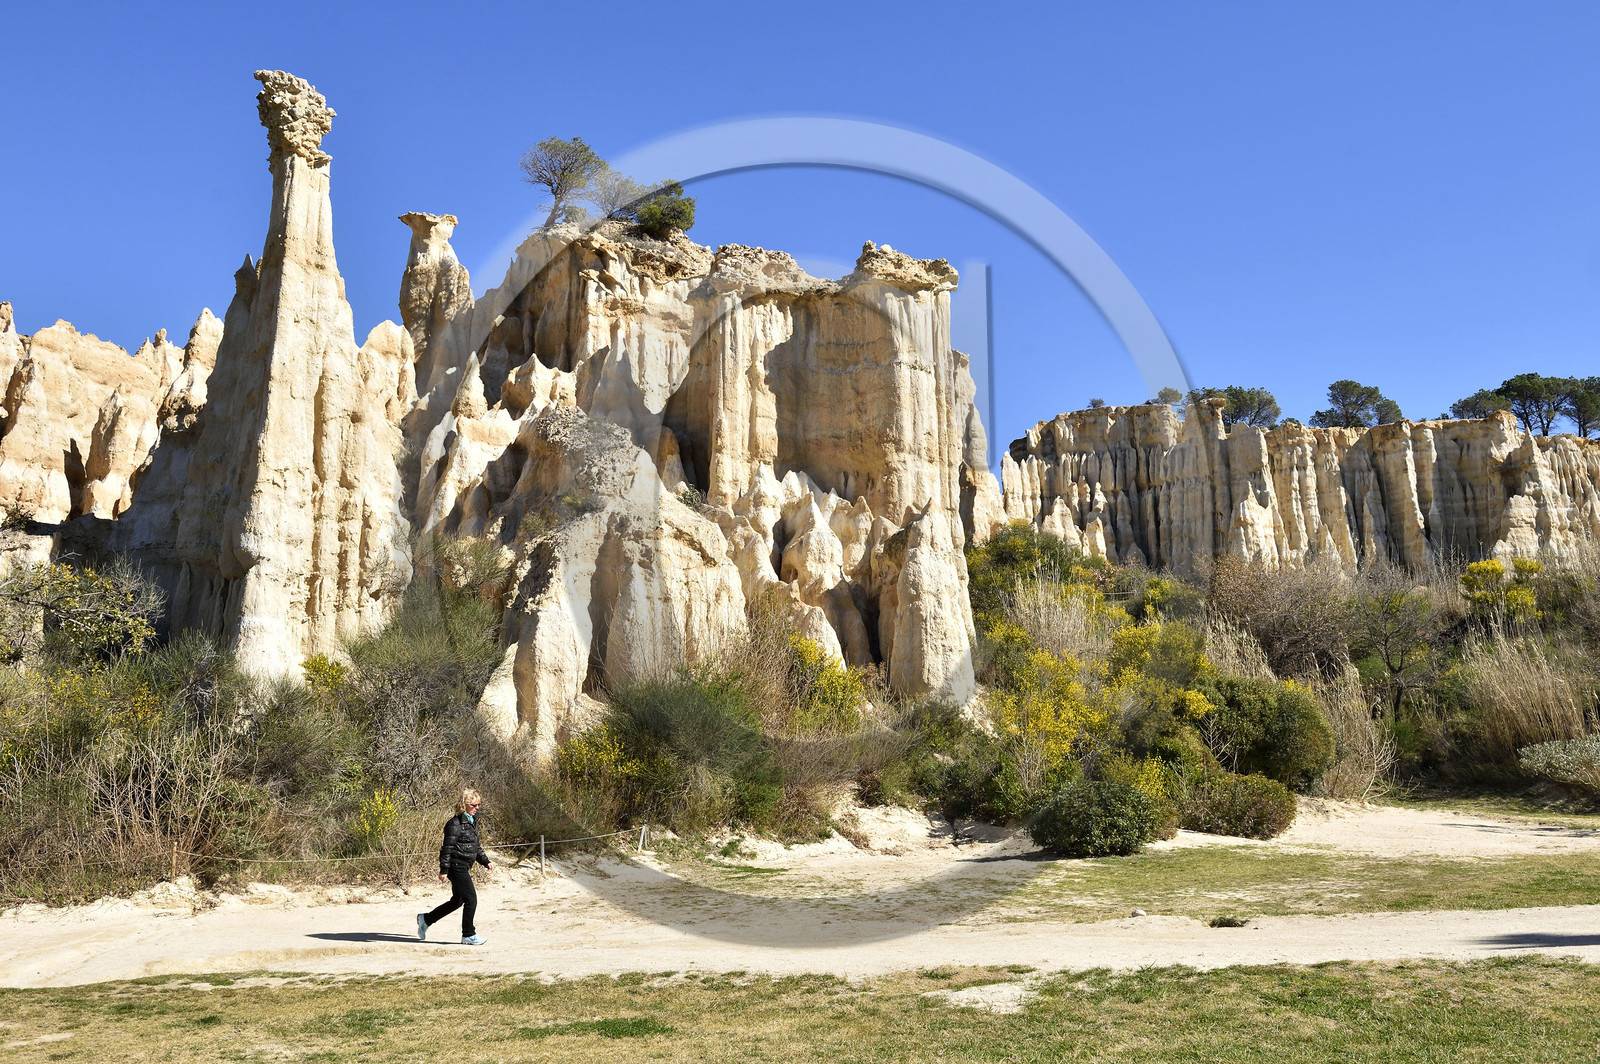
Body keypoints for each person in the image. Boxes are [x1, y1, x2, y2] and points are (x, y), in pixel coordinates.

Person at [417, 788, 492, 944]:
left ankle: (426, 919)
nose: (477, 808)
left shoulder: (472, 821)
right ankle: (468, 935)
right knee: (471, 899)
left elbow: (474, 846)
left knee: (457, 901)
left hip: (464, 865)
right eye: (474, 805)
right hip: (455, 866)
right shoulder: (455, 823)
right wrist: (443, 870)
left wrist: (485, 861)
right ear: (465, 805)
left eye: (478, 804)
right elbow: (447, 848)